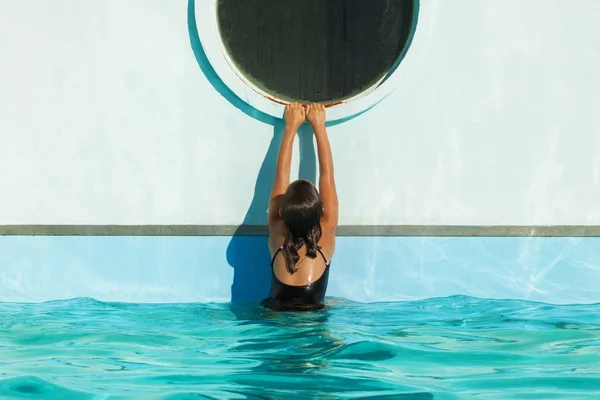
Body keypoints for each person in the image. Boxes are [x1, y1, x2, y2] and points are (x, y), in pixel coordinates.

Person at [261, 103, 338, 311]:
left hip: (274, 316)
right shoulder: (327, 232)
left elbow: (281, 174)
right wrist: (319, 127)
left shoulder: (277, 232)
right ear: (321, 212)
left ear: (282, 211)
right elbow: (327, 175)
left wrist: (290, 127)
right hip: (313, 321)